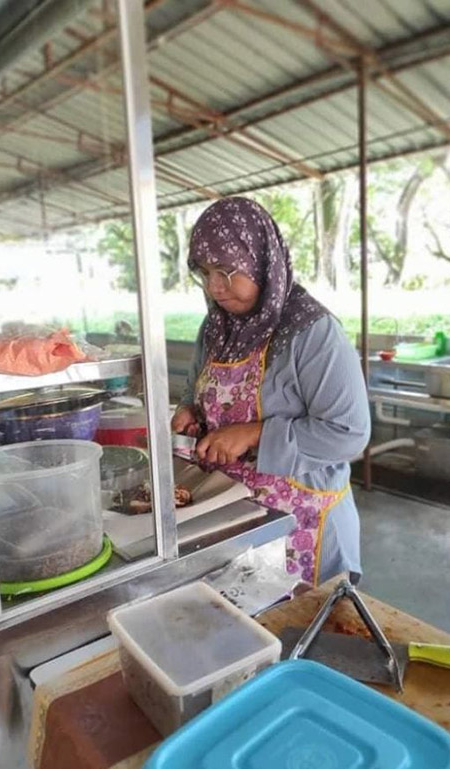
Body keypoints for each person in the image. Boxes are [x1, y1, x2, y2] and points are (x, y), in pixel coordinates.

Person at [172, 197, 370, 585]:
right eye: (205, 272)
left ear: (262, 261)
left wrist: (254, 433)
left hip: (303, 525)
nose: (215, 287)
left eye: (227, 271)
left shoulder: (312, 332)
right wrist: (189, 410)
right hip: (235, 517)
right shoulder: (215, 330)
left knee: (300, 632)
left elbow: (349, 434)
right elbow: (195, 385)